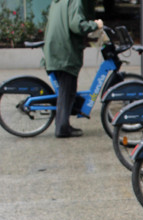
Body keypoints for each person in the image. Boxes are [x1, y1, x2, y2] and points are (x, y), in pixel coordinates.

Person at [42, 0, 103, 138]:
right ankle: (62, 128)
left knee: (66, 90)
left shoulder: (58, 2)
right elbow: (76, 25)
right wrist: (95, 25)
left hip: (55, 48)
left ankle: (65, 123)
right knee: (67, 91)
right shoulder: (75, 1)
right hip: (65, 51)